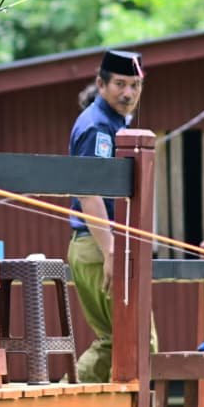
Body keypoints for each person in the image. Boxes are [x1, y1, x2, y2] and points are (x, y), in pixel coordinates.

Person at [69, 49, 153, 383]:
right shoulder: (98, 128)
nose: (128, 93)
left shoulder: (113, 124)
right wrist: (111, 250)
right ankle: (62, 406)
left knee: (122, 341)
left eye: (135, 85)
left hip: (100, 244)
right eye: (120, 83)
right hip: (98, 244)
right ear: (101, 83)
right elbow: (89, 194)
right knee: (134, 340)